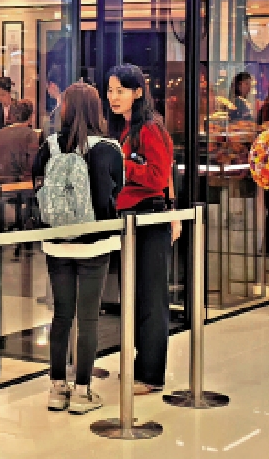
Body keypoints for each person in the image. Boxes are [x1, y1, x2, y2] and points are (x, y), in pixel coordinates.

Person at [32, 83, 123, 413]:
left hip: (57, 241)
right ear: (96, 109)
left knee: (61, 315)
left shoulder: (50, 146)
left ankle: (57, 389)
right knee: (88, 319)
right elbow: (116, 192)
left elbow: (37, 183)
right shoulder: (109, 148)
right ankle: (82, 392)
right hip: (95, 242)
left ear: (66, 109)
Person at [106, 64, 176, 395]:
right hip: (130, 220)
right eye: (110, 90)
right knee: (134, 296)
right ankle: (140, 365)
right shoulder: (124, 129)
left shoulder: (149, 128)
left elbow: (159, 177)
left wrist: (124, 166)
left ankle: (151, 375)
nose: (113, 97)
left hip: (149, 218)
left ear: (137, 92)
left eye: (120, 90)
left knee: (151, 298)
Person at [0, 100, 39, 181]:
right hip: (22, 183)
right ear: (30, 116)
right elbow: (33, 164)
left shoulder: (1, 133)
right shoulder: (30, 134)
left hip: (2, 181)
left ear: (12, 115)